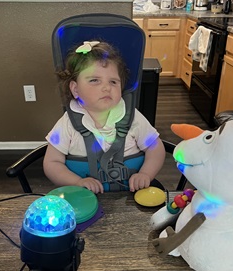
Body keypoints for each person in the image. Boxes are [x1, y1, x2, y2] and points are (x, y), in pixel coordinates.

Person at [43, 40, 165, 194]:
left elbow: (156, 149)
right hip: (86, 199)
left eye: (113, 82)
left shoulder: (132, 117)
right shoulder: (67, 124)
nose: (107, 87)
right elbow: (52, 163)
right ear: (75, 89)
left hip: (130, 197)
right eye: (94, 80)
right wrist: (77, 182)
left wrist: (145, 174)